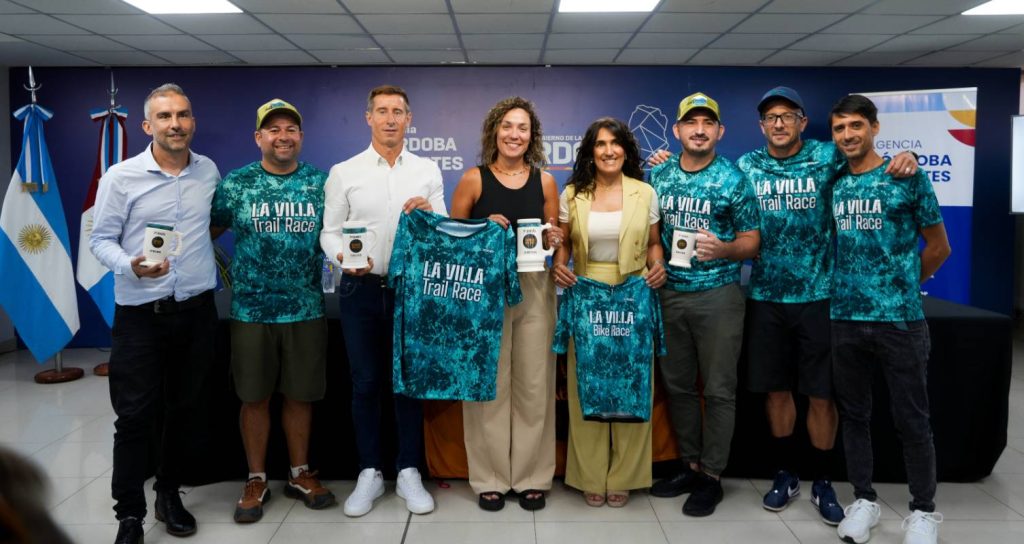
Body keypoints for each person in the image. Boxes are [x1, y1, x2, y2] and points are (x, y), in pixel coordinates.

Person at [737, 87, 919, 524]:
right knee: (777, 391)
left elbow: (869, 159)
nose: (778, 123)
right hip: (765, 297)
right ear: (761, 126)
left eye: (787, 115)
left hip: (820, 297)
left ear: (802, 122)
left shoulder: (827, 155)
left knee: (821, 394)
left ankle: (821, 480)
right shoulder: (746, 165)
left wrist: (909, 155)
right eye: (770, 117)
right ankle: (785, 474)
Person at [90, 83, 219, 544]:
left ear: (193, 122)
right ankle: (129, 515)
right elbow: (99, 239)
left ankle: (168, 493)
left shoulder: (208, 171)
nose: (175, 124)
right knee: (133, 417)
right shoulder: (120, 177)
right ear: (148, 125)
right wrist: (131, 265)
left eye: (182, 115)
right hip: (141, 316)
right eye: (164, 117)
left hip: (196, 312)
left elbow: (210, 225)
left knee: (184, 411)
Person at [828, 94, 950, 544]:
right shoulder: (834, 180)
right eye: (839, 128)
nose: (847, 135)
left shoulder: (907, 177)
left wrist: (901, 283)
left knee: (912, 419)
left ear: (875, 128)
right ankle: (864, 501)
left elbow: (939, 247)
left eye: (856, 126)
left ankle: (923, 511)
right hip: (845, 317)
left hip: (900, 320)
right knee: (854, 416)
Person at [320, 85, 444, 517]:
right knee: (366, 383)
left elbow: (442, 226)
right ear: (368, 117)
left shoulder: (427, 170)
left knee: (406, 382)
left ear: (409, 119)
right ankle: (370, 471)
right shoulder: (344, 171)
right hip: (361, 289)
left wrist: (430, 213)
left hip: (411, 289)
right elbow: (329, 232)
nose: (390, 119)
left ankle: (408, 469)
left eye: (398, 112)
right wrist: (341, 257)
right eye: (382, 111)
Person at [210, 99, 335, 523]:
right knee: (254, 397)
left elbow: (340, 234)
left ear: (301, 136)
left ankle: (300, 473)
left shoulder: (320, 183)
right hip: (251, 310)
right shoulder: (237, 183)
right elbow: (209, 230)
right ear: (258, 137)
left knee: (300, 395)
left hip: (305, 308)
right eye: (274, 129)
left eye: (291, 129)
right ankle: (256, 478)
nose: (283, 137)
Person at [647, 93, 760, 517]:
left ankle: (711, 477)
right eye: (691, 123)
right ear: (677, 130)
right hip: (669, 294)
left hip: (718, 296)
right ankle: (690, 466)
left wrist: (726, 249)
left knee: (717, 390)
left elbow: (752, 241)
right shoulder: (658, 174)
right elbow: (651, 235)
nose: (699, 130)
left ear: (720, 131)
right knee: (678, 386)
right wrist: (655, 264)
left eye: (707, 123)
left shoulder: (734, 179)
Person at [450, 97, 563, 512]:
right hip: (485, 291)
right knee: (488, 386)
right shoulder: (473, 179)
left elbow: (554, 236)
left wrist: (555, 239)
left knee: (534, 385)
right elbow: (453, 242)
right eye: (508, 126)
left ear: (532, 137)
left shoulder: (546, 182)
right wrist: (482, 226)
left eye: (523, 128)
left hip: (533, 286)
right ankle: (490, 478)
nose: (515, 135)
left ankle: (532, 477)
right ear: (494, 131)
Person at [551, 117, 666, 508]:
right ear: (590, 151)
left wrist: (657, 265)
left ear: (626, 150)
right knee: (586, 388)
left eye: (615, 143)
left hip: (633, 294)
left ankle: (625, 476)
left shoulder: (644, 192)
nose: (608, 150)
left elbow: (654, 243)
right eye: (600, 144)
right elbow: (564, 243)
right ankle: (589, 474)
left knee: (633, 387)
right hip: (586, 296)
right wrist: (559, 266)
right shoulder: (572, 194)